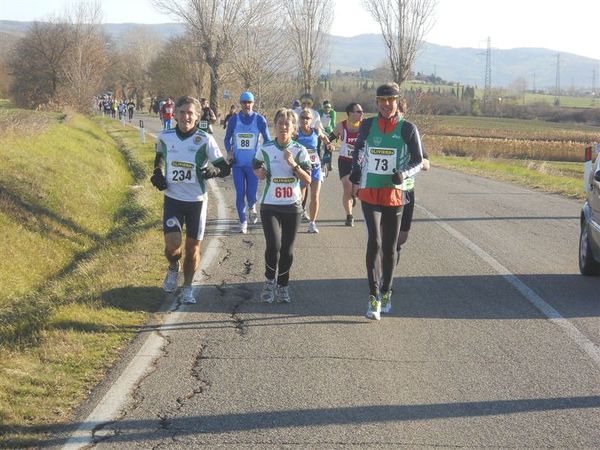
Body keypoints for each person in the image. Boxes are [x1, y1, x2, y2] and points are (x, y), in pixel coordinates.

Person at [350, 82, 423, 320]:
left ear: (397, 101)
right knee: (375, 241)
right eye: (382, 101)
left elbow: (418, 160)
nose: (387, 105)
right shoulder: (368, 125)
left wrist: (403, 174)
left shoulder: (408, 129)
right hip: (370, 191)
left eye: (391, 100)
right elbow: (359, 149)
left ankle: (386, 291)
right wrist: (356, 172)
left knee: (390, 248)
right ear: (377, 102)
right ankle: (373, 298)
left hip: (394, 194)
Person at [150, 95, 231, 304]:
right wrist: (158, 173)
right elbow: (159, 156)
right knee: (172, 247)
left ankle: (187, 287)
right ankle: (172, 267)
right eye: (183, 112)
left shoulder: (205, 139)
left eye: (190, 114)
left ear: (197, 116)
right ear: (175, 115)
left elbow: (224, 167)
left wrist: (212, 171)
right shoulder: (166, 136)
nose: (186, 117)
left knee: (192, 248)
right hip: (173, 199)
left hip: (196, 202)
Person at [253, 108, 311, 303]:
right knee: (274, 245)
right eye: (280, 123)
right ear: (275, 126)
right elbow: (256, 164)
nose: (283, 127)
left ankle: (283, 285)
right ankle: (269, 282)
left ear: (294, 128)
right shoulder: (266, 148)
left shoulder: (300, 150)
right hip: (270, 204)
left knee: (287, 249)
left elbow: (308, 179)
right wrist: (258, 172)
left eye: (287, 124)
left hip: (292, 206)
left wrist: (293, 164)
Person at [224, 91, 270, 233]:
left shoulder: (260, 120)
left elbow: (267, 140)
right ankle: (242, 221)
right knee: (240, 193)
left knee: (251, 195)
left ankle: (252, 206)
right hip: (238, 164)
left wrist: (263, 157)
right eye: (244, 102)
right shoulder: (234, 120)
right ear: (240, 104)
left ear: (253, 103)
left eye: (249, 102)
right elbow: (227, 139)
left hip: (253, 165)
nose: (247, 105)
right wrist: (229, 152)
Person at [329, 102, 364, 227]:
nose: (361, 114)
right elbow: (329, 138)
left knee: (355, 191)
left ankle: (353, 196)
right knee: (347, 186)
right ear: (350, 113)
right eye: (358, 111)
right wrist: (329, 144)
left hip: (360, 163)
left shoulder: (365, 126)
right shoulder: (341, 126)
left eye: (361, 111)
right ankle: (349, 216)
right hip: (345, 161)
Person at [295, 108, 329, 234]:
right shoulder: (296, 132)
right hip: (302, 169)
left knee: (315, 196)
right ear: (299, 119)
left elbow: (324, 138)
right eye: (302, 117)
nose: (305, 120)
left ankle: (312, 223)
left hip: (315, 167)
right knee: (300, 196)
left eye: (307, 118)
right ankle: (295, 218)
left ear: (311, 120)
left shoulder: (316, 131)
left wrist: (328, 144)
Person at [396, 152, 430, 265]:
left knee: (402, 236)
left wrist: (419, 163)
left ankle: (395, 248)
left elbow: (427, 165)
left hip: (406, 190)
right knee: (382, 236)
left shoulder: (412, 136)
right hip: (384, 190)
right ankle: (381, 272)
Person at [318, 100, 336, 171]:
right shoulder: (319, 112)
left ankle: (329, 163)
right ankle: (318, 160)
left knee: (329, 147)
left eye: (329, 107)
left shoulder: (332, 112)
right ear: (323, 107)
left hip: (329, 130)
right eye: (326, 107)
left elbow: (333, 123)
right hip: (320, 129)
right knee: (318, 145)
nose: (327, 109)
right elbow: (317, 121)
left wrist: (335, 133)